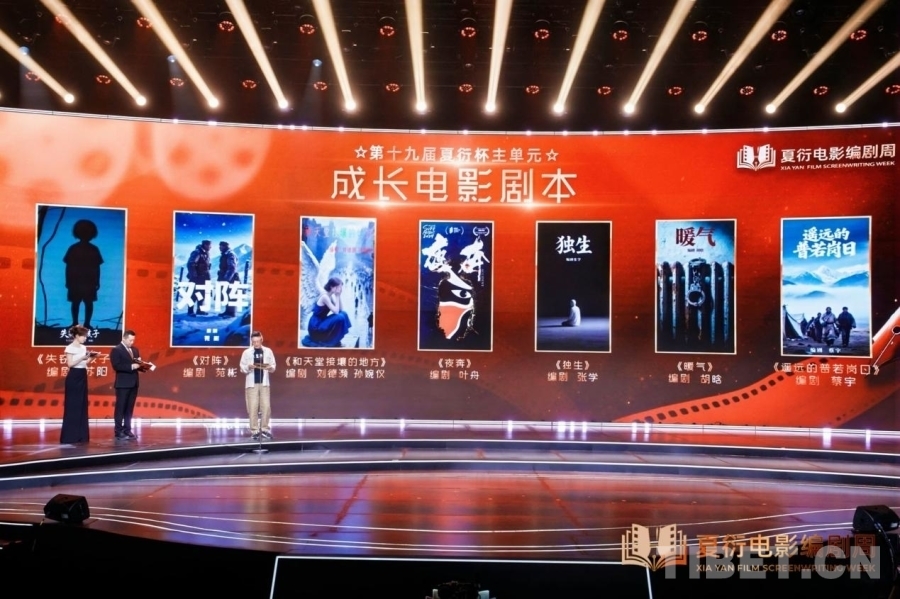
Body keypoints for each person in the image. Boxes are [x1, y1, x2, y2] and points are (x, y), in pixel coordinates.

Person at [64, 219, 103, 330]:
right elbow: (97, 267)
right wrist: (97, 281)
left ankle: (77, 323)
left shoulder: (73, 248)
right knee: (86, 303)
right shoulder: (93, 249)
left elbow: (68, 266)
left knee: (77, 303)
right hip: (86, 281)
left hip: (78, 281)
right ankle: (84, 323)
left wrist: (68, 280)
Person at [60, 325, 96, 444]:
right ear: (76, 336)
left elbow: (85, 363)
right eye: (83, 336)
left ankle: (81, 435)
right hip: (74, 377)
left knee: (82, 405)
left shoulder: (84, 347)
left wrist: (92, 358)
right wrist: (82, 358)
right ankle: (70, 436)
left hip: (82, 376)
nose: (85, 338)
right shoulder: (69, 348)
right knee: (73, 405)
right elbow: (70, 364)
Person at [239, 331, 276, 440]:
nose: (256, 343)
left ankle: (265, 429)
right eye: (254, 342)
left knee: (266, 407)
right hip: (252, 383)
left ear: (261, 339)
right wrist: (248, 367)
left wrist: (270, 368)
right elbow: (242, 367)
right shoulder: (247, 352)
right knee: (252, 407)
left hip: (264, 383)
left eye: (258, 341)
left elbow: (273, 366)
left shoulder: (268, 351)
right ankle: (254, 430)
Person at [302, 276, 352, 347]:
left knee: (343, 314)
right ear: (331, 286)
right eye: (338, 287)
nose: (339, 289)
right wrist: (337, 296)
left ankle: (335, 340)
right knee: (340, 317)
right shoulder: (325, 297)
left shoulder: (330, 295)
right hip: (316, 326)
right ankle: (332, 341)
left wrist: (339, 296)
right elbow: (336, 312)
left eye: (340, 287)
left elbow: (340, 309)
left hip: (322, 321)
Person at [110, 329, 141, 441]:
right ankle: (118, 431)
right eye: (130, 340)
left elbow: (137, 365)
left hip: (134, 383)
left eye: (133, 340)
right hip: (122, 384)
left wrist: (142, 365)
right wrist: (132, 366)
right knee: (120, 408)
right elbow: (116, 366)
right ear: (124, 338)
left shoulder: (135, 350)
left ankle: (127, 429)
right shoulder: (116, 350)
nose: (132, 342)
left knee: (129, 408)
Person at [186, 239, 212, 316]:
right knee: (193, 294)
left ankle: (200, 310)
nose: (210, 247)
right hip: (197, 277)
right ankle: (190, 311)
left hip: (204, 277)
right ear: (205, 245)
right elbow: (191, 264)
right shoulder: (197, 252)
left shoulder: (206, 253)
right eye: (209, 245)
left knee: (202, 293)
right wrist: (194, 276)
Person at [217, 241, 239, 317]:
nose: (220, 248)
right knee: (226, 294)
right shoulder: (225, 254)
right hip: (226, 277)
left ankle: (231, 313)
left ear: (225, 246)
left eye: (221, 246)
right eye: (220, 246)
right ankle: (227, 311)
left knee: (231, 294)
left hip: (231, 278)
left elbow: (232, 267)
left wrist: (227, 279)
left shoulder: (230, 254)